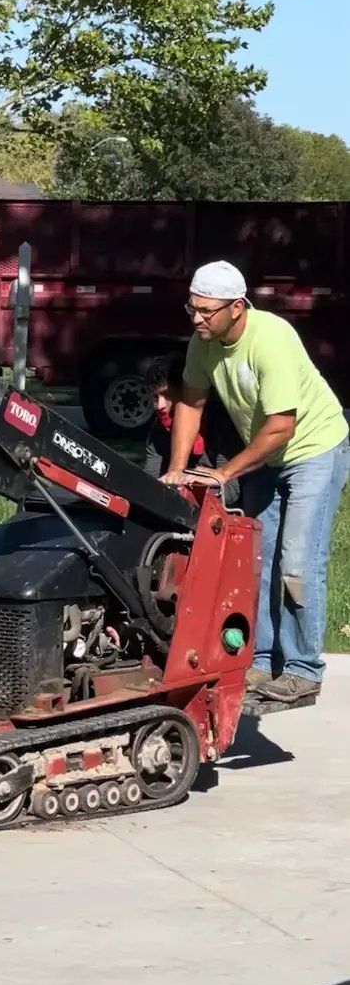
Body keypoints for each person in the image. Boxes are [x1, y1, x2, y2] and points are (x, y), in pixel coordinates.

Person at [161, 260, 349, 703]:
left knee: (298, 561)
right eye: (192, 308)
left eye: (207, 311)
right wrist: (175, 468)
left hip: (313, 450)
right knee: (254, 562)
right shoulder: (202, 343)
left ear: (238, 307)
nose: (197, 318)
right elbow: (190, 401)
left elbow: (283, 425)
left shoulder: (272, 340)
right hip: (268, 457)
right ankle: (260, 663)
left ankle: (304, 669)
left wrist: (225, 472)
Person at [142, 352, 244, 507]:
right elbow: (150, 480)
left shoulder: (220, 423)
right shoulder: (159, 430)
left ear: (187, 393)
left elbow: (231, 491)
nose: (160, 405)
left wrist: (187, 483)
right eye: (156, 398)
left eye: (167, 395)